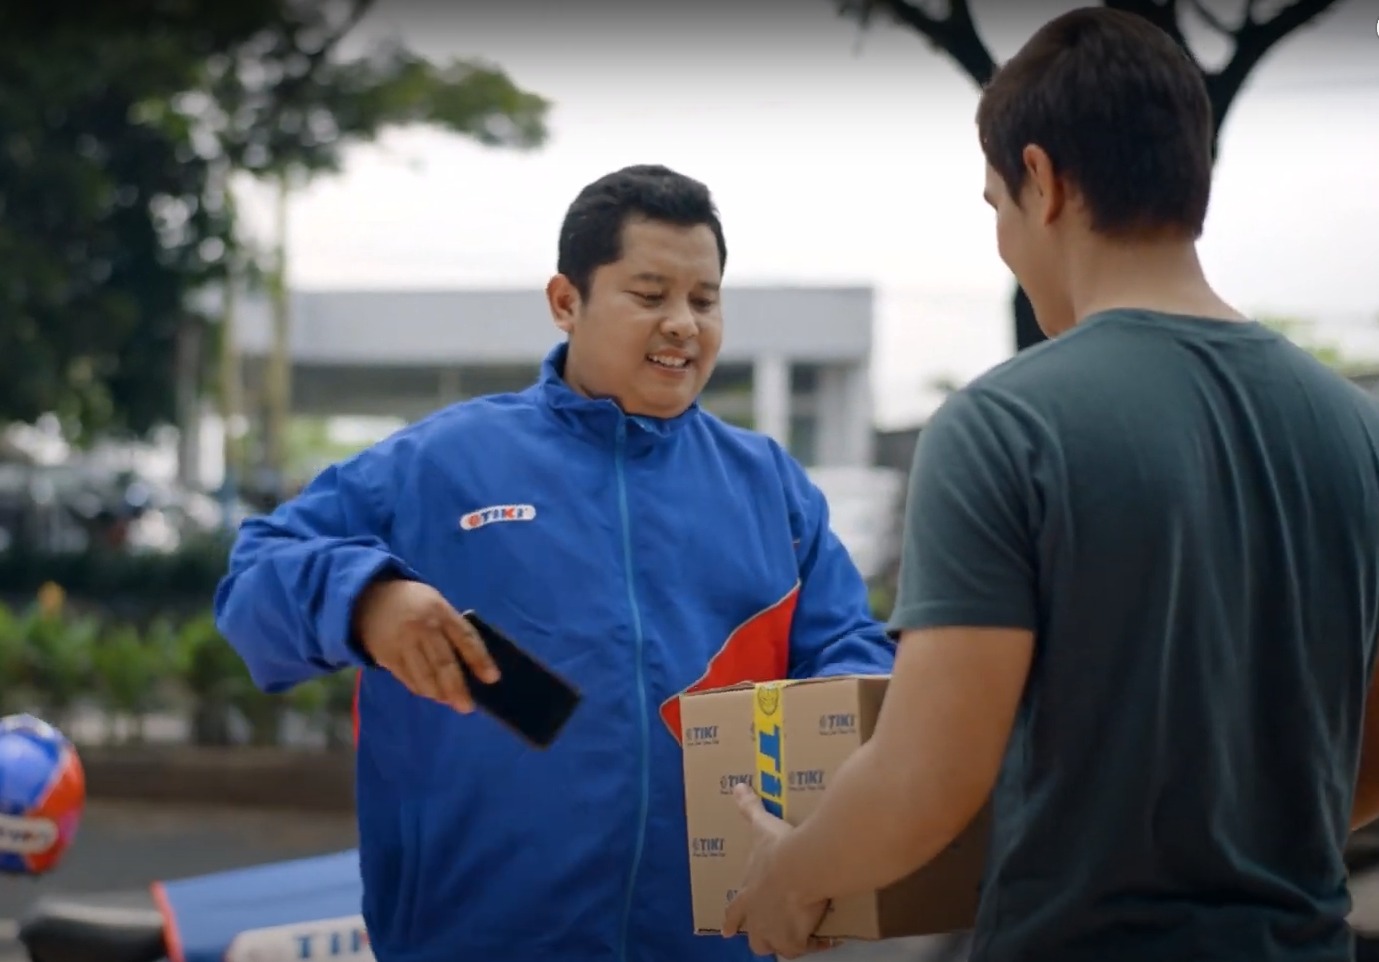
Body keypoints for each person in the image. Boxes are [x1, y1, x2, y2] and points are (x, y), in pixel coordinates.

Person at [722, 8, 1379, 962]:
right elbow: (1366, 756)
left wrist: (789, 874)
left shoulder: (1003, 428)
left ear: (1041, 179)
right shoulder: (1357, 428)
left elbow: (926, 776)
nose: (1004, 239)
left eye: (994, 205)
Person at [213, 164, 895, 962]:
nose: (682, 323)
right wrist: (367, 602)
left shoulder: (770, 490)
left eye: (704, 301)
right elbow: (254, 579)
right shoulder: (443, 464)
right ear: (565, 302)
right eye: (650, 295)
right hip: (474, 940)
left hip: (718, 943)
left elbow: (851, 672)